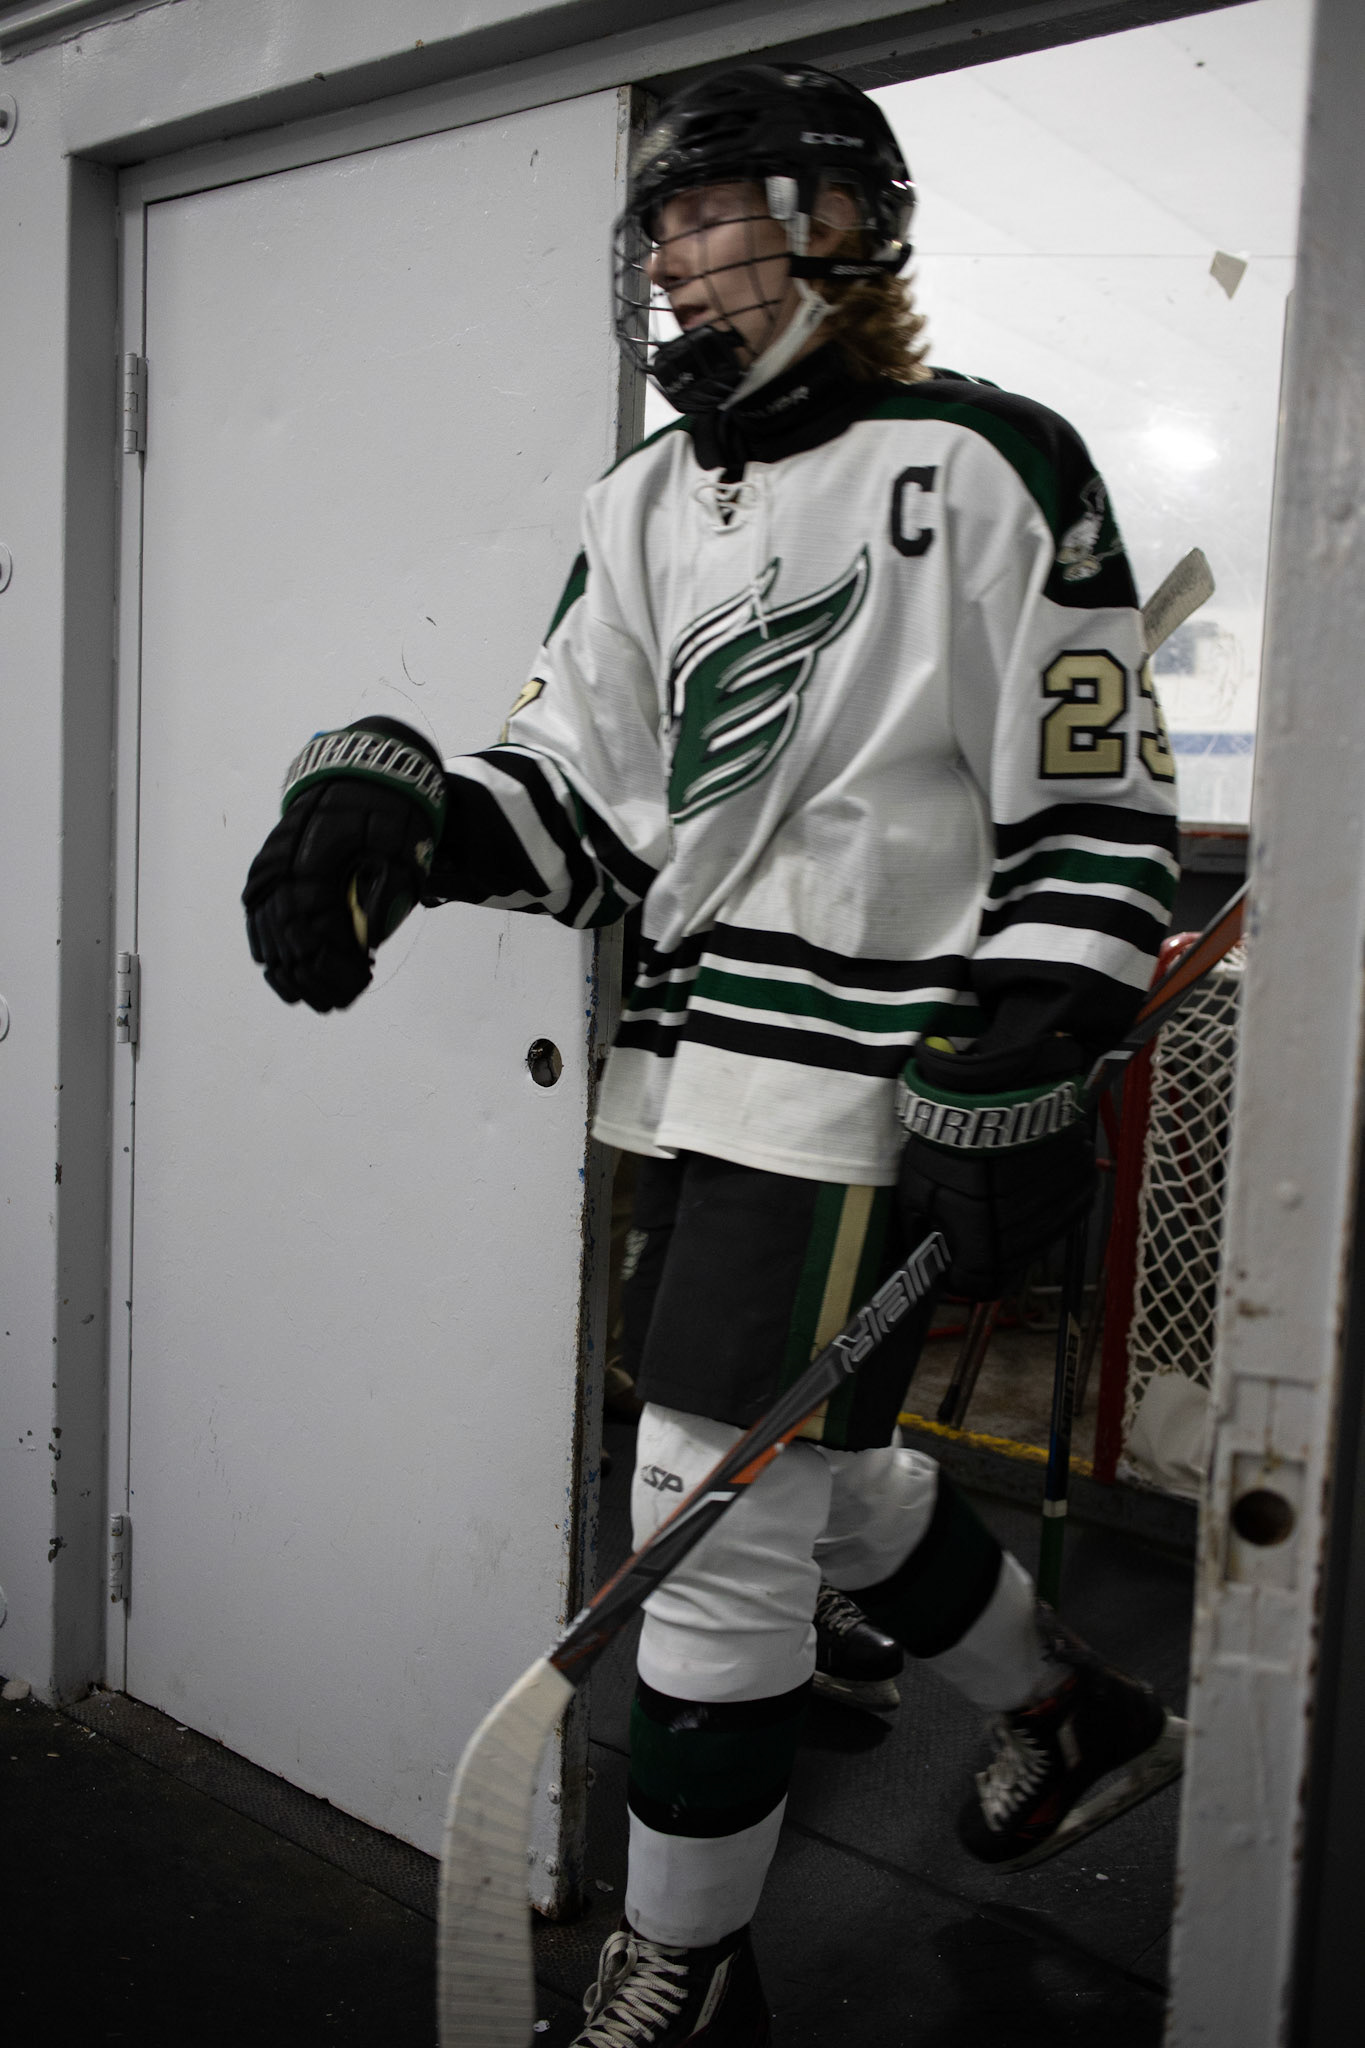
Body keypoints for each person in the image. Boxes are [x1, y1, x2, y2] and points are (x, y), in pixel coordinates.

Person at [242, 65, 1184, 2046]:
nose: (670, 257)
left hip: (865, 1084)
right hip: (693, 1078)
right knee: (809, 1488)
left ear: (837, 224)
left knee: (701, 1505)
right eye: (656, 226)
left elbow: (1094, 807)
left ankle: (685, 1964)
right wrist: (405, 805)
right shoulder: (643, 500)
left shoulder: (989, 460)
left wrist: (1033, 1038)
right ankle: (1073, 1702)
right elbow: (586, 809)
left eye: (709, 212)